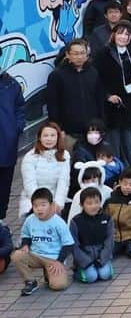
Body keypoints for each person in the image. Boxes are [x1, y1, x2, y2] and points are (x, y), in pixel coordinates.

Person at [96, 21, 131, 168]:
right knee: (114, 140)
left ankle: (129, 167)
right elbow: (97, 79)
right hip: (112, 104)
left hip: (129, 102)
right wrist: (107, 95)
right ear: (113, 34)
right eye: (120, 33)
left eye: (127, 34)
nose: (123, 37)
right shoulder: (104, 53)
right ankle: (116, 168)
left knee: (128, 140)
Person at [12, 188, 74, 295]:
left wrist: (59, 261)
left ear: (51, 205)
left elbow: (68, 244)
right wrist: (25, 245)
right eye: (35, 206)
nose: (39, 209)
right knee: (17, 255)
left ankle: (48, 272)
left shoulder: (58, 222)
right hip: (35, 255)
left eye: (43, 205)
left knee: (59, 285)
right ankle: (30, 281)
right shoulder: (30, 219)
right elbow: (26, 235)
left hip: (53, 258)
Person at [45, 39, 104, 146]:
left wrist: (101, 124)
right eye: (75, 54)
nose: (79, 57)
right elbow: (52, 105)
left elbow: (99, 99)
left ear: (87, 55)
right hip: (68, 132)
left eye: (82, 53)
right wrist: (58, 129)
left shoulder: (93, 72)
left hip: (92, 131)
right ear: (67, 55)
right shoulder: (57, 75)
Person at [19, 122, 71, 216]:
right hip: (34, 203)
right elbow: (29, 184)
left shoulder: (65, 155)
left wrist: (57, 203)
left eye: (52, 135)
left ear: (58, 137)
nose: (49, 139)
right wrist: (41, 205)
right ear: (39, 137)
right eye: (45, 135)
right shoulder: (30, 157)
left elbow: (63, 182)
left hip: (55, 203)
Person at [69, 188, 115, 284]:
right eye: (89, 203)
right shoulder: (76, 221)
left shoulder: (107, 219)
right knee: (91, 277)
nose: (94, 206)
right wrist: (86, 262)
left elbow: (109, 241)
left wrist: (102, 259)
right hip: (85, 258)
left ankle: (103, 266)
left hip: (101, 257)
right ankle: (77, 271)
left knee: (105, 275)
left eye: (96, 202)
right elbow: (74, 245)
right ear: (82, 205)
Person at [0, 68, 27, 219]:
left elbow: (20, 108)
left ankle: (2, 221)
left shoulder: (10, 84)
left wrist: (16, 128)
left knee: (4, 187)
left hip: (6, 144)